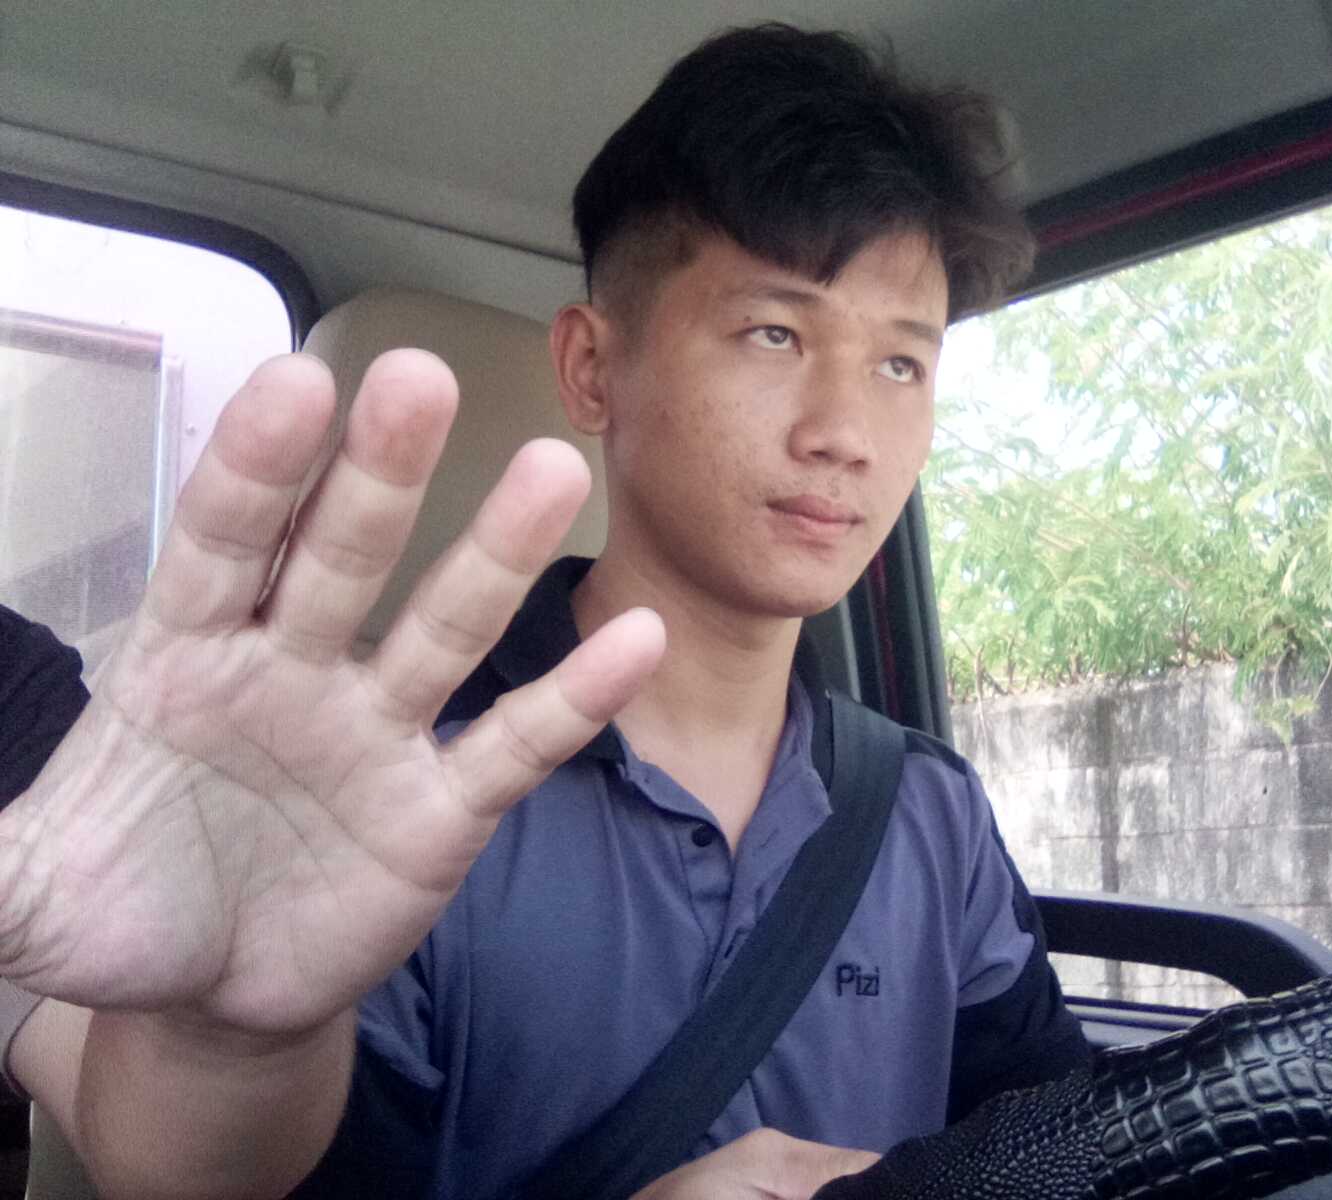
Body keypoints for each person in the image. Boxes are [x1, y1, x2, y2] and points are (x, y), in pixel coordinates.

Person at [0, 23, 1086, 1200]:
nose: (844, 431)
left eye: (900, 365)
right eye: (774, 333)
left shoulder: (930, 810)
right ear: (590, 371)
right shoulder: (398, 792)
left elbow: (1069, 1154)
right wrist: (226, 1040)